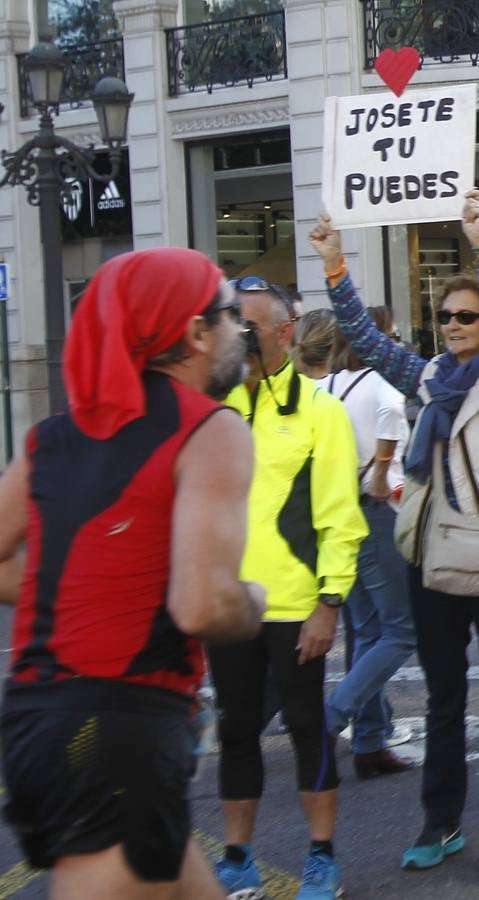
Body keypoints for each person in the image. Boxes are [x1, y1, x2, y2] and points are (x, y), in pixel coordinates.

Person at [0, 248, 265, 899]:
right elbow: (201, 606)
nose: (242, 330)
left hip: (43, 716)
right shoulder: (210, 430)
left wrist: (88, 584)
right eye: (230, 314)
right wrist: (254, 601)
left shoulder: (53, 437)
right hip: (117, 723)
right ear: (195, 334)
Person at [310, 190, 479, 881]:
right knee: (444, 700)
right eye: (444, 316)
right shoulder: (429, 379)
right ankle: (440, 822)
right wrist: (334, 267)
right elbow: (373, 341)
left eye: (465, 317)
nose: (452, 325)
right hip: (437, 561)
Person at [212, 275, 367, 900]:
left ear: (283, 332)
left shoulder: (320, 411)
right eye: (231, 323)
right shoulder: (216, 408)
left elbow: (340, 517)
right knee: (235, 730)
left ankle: (322, 857)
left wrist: (329, 603)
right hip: (230, 608)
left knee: (307, 728)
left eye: (246, 325)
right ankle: (237, 857)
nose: (237, 335)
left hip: (297, 605)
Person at [320, 315, 417, 779]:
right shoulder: (383, 386)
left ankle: (370, 741)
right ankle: (333, 719)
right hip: (377, 512)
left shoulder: (329, 385)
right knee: (401, 630)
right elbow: (388, 444)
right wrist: (380, 471)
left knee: (365, 628)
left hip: (340, 513)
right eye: (392, 336)